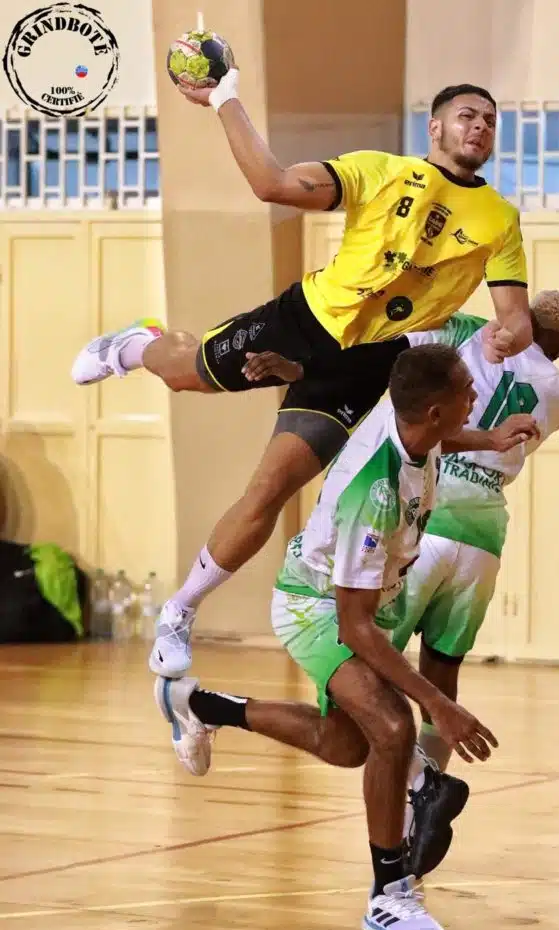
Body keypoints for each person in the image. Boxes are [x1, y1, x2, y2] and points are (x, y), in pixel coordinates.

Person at [70, 71, 532, 680]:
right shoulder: (379, 170)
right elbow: (272, 184)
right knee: (187, 375)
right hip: (308, 321)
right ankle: (135, 345)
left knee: (269, 490)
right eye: (468, 115)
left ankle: (179, 612)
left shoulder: (498, 217)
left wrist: (509, 335)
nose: (480, 127)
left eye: (490, 120)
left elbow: (517, 318)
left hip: (368, 363)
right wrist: (224, 96)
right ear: (437, 126)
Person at [154, 343, 540, 930]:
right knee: (392, 729)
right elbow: (354, 625)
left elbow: (442, 439)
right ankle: (389, 896)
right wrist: (438, 703)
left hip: (362, 603)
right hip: (317, 609)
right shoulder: (375, 491)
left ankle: (198, 706)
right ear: (436, 411)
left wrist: (489, 441)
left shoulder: (416, 424)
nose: (478, 397)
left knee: (344, 746)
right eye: (469, 391)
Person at [393, 291, 559, 880]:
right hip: (483, 535)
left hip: (426, 516)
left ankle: (418, 786)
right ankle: (419, 814)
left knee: (366, 662)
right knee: (442, 667)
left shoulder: (471, 332)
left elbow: (417, 327)